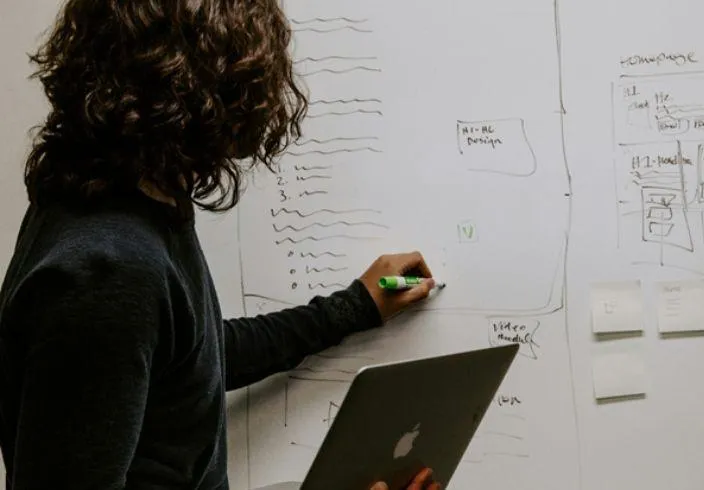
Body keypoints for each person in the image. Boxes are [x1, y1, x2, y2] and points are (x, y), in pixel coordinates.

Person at [0, 0, 441, 489]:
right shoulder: (107, 271)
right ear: (206, 94)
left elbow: (191, 362)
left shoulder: (124, 203)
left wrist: (354, 308)